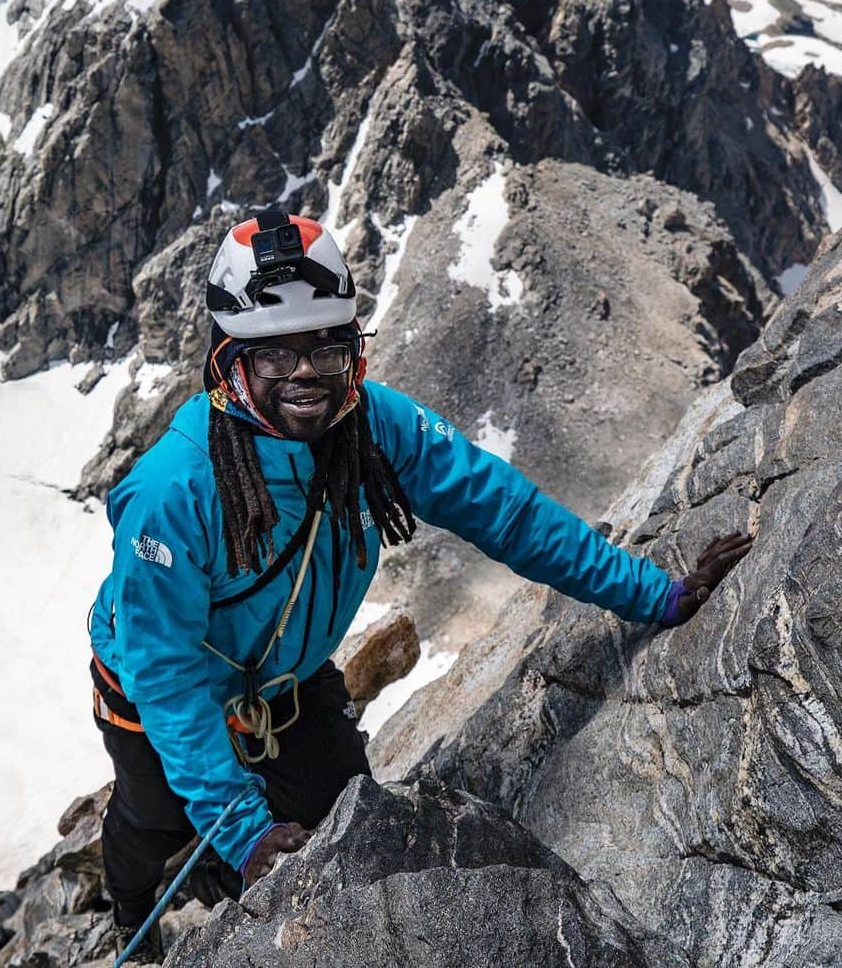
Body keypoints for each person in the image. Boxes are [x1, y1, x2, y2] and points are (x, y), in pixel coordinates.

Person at [87, 208, 752, 960]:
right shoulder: (173, 492)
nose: (305, 375)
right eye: (275, 357)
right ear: (228, 362)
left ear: (353, 353)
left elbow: (507, 513)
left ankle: (212, 841)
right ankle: (131, 907)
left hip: (288, 682)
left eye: (326, 349)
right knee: (152, 818)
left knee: (344, 820)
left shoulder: (374, 428)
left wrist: (653, 594)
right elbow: (168, 677)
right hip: (150, 686)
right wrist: (243, 833)